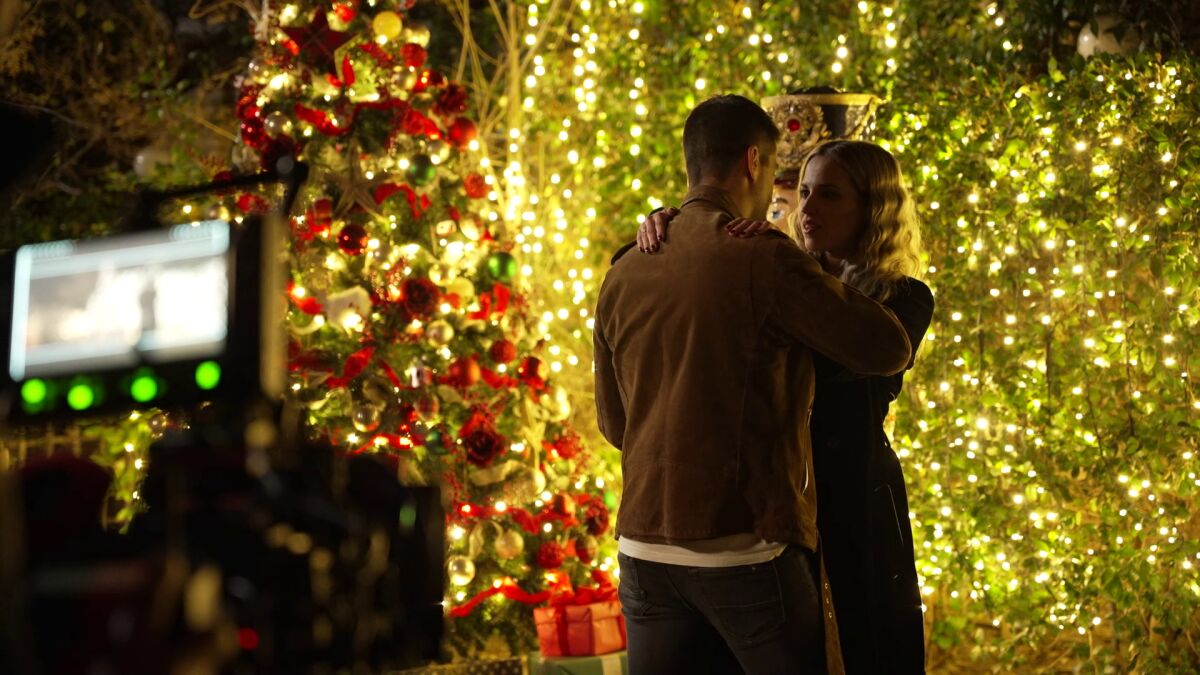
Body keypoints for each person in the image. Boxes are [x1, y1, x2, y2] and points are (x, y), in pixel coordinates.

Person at [593, 95, 913, 675]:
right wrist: (781, 257)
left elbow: (615, 426)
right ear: (753, 161)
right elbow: (887, 347)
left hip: (643, 546)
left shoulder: (627, 266)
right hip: (741, 543)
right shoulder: (765, 259)